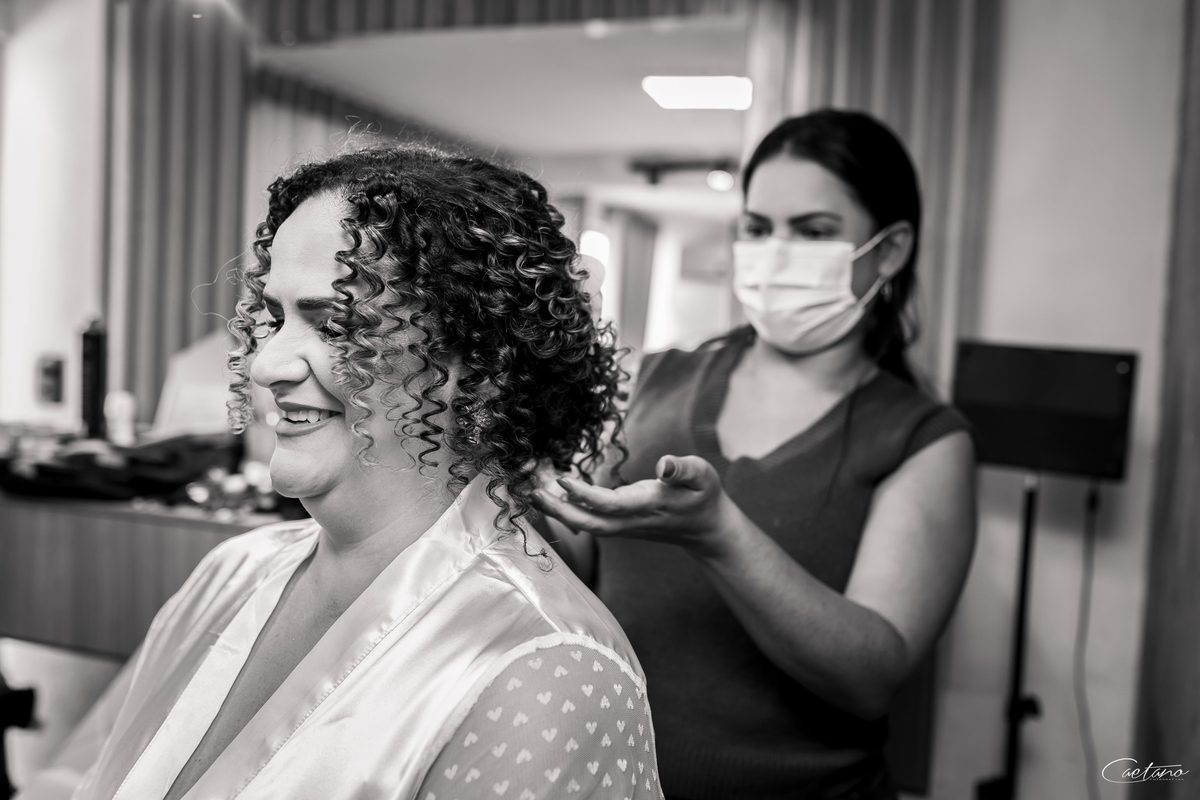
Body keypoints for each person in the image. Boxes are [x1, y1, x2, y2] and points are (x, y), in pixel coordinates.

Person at [65, 145, 662, 800]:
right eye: (275, 318)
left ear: (479, 364)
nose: (265, 365)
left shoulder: (545, 671)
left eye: (334, 324)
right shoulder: (230, 574)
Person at [534, 110, 977, 799]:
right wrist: (527, 487)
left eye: (814, 231)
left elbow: (870, 678)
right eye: (758, 227)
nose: (776, 252)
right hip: (614, 780)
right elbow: (586, 562)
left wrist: (720, 534)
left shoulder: (924, 439)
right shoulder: (652, 379)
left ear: (889, 252)